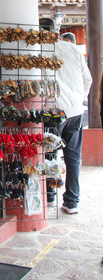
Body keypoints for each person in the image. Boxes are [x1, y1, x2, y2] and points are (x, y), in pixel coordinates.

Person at [54, 32, 92, 214]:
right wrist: (79, 98)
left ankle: (49, 194)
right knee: (73, 158)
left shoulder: (44, 49)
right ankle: (72, 202)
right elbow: (88, 79)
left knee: (49, 155)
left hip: (55, 111)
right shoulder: (74, 50)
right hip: (75, 111)